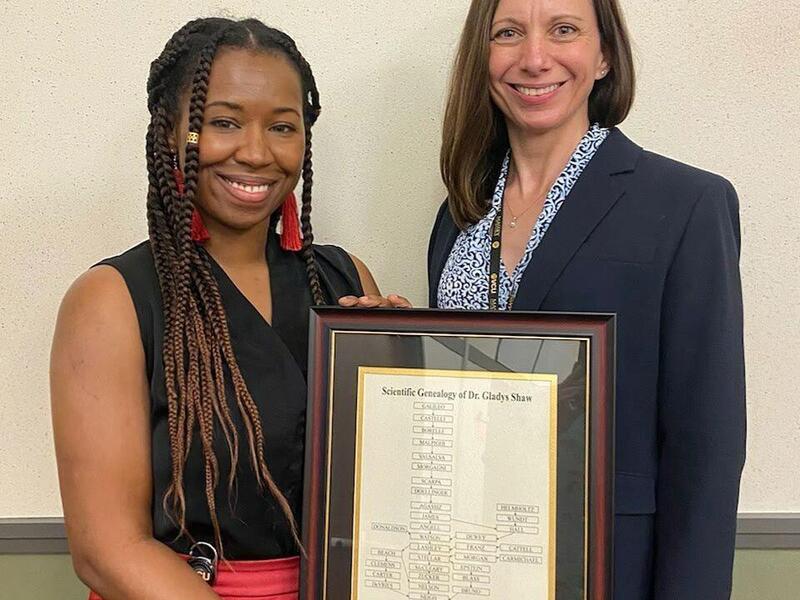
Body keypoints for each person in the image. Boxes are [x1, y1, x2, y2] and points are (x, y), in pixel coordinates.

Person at [50, 17, 406, 600]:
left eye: (283, 127)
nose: (257, 152)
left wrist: (408, 373)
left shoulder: (344, 280)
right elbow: (106, 550)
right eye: (223, 122)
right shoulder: (112, 301)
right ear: (172, 132)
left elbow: (383, 495)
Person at [427, 0, 746, 598]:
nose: (534, 58)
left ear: (604, 56)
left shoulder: (686, 205)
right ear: (483, 55)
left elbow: (707, 444)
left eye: (564, 30)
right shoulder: (458, 215)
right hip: (468, 559)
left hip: (612, 567)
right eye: (508, 34)